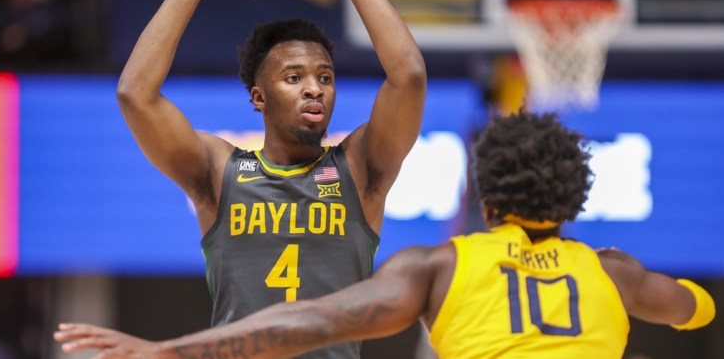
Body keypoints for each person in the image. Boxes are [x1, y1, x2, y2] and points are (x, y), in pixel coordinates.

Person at [54, 111, 716, 358]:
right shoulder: (614, 272)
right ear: (575, 199)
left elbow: (308, 321)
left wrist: (168, 352)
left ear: (486, 199)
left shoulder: (434, 266)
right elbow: (694, 308)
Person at [89, 0, 425, 357]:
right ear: (258, 97)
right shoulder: (218, 172)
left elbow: (409, 76)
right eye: (293, 76)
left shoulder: (361, 170)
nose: (314, 87)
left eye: (325, 76)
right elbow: (135, 94)